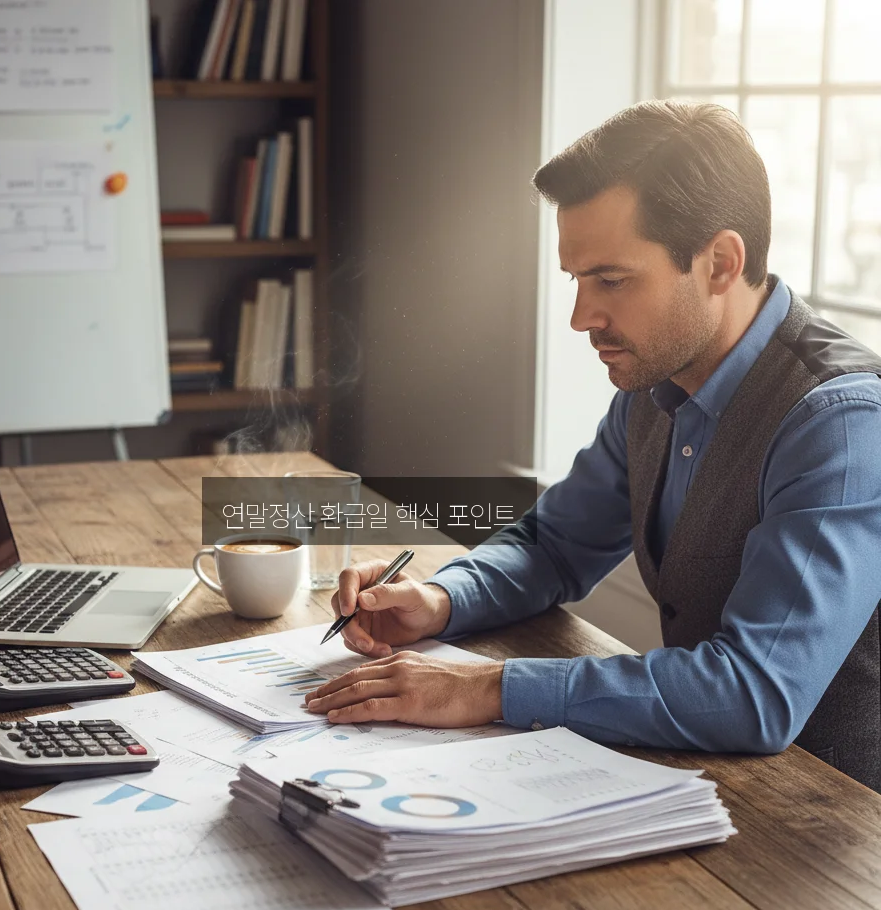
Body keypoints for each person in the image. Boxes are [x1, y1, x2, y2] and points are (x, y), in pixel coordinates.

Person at [304, 100, 881, 792]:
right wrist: (438, 600)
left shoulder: (840, 424)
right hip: (714, 791)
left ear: (721, 263)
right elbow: (555, 545)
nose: (583, 317)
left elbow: (754, 692)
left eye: (611, 280)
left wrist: (485, 689)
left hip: (835, 839)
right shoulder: (656, 380)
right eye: (576, 279)